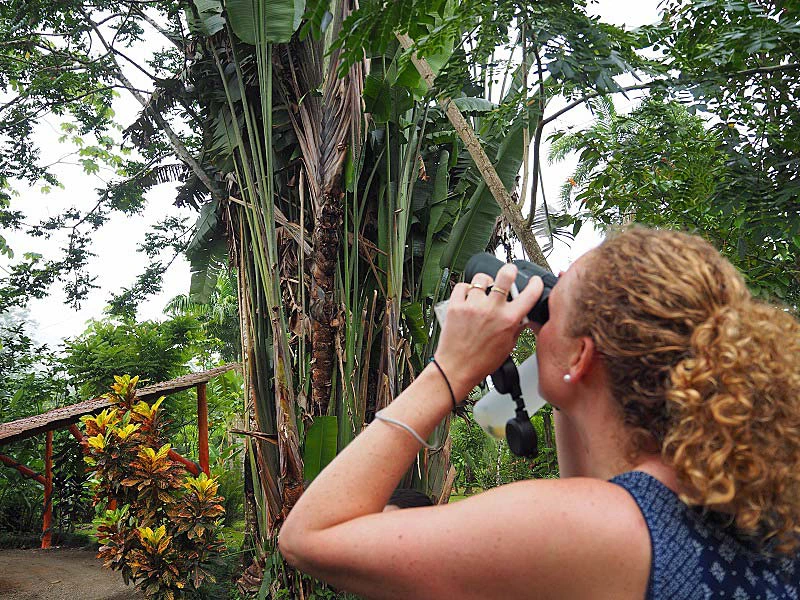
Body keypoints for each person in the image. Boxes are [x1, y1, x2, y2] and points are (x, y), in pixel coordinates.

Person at [279, 228, 800, 599]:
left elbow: (310, 537)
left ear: (582, 357)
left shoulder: (602, 531)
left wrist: (449, 368)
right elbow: (597, 487)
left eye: (552, 310)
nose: (539, 321)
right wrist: (566, 358)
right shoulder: (747, 491)